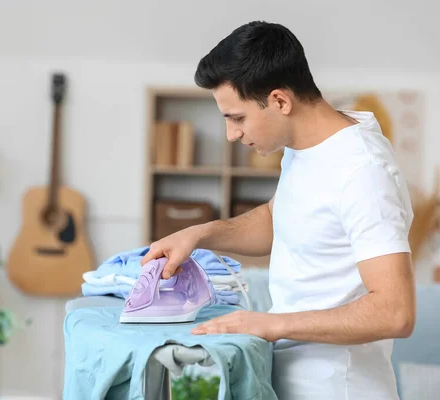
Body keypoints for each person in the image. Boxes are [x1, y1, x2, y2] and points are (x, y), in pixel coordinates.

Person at [141, 21, 416, 399]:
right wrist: (198, 234)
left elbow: (394, 311)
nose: (231, 135)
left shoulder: (362, 171)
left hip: (339, 388)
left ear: (280, 101)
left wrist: (270, 324)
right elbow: (278, 220)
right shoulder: (308, 148)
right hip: (291, 379)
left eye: (237, 118)